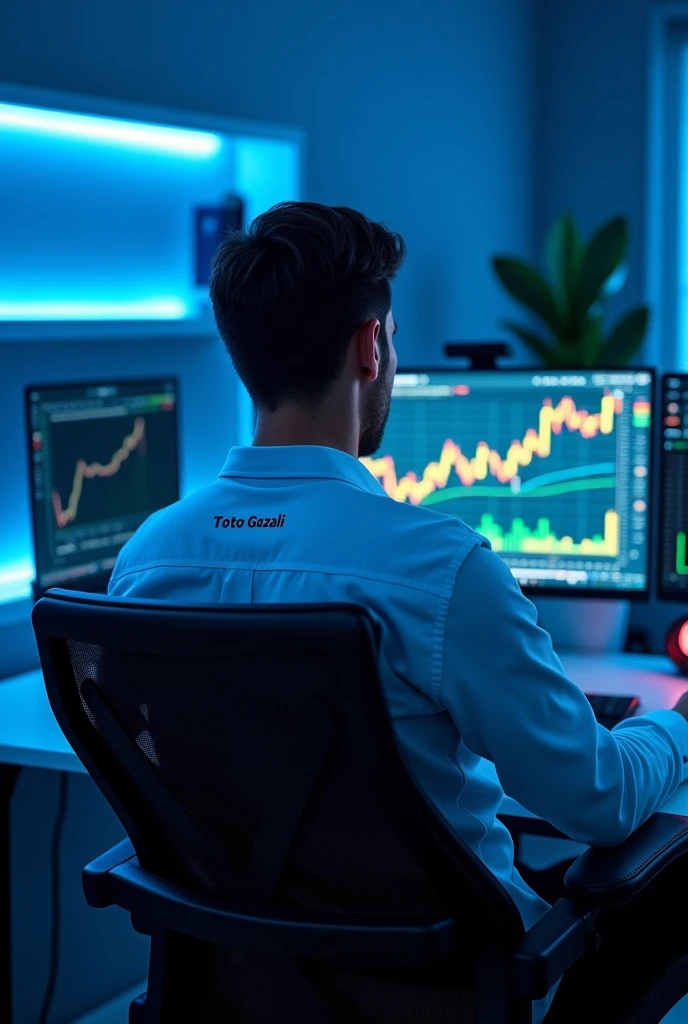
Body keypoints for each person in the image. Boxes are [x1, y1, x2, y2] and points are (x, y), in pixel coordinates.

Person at [109, 201, 688, 1022]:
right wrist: (678, 723)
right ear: (371, 345)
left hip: (250, 976)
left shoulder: (148, 558)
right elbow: (597, 802)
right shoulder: (441, 570)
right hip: (440, 983)